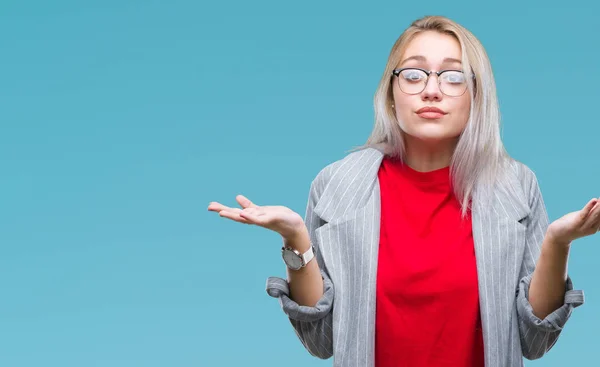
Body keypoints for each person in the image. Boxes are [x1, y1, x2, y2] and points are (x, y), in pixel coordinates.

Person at [208, 15, 597, 367]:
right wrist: (295, 238)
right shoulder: (337, 184)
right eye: (414, 75)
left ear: (477, 97)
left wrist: (558, 242)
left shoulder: (516, 186)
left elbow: (535, 340)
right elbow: (321, 340)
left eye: (453, 76)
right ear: (392, 96)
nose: (431, 90)